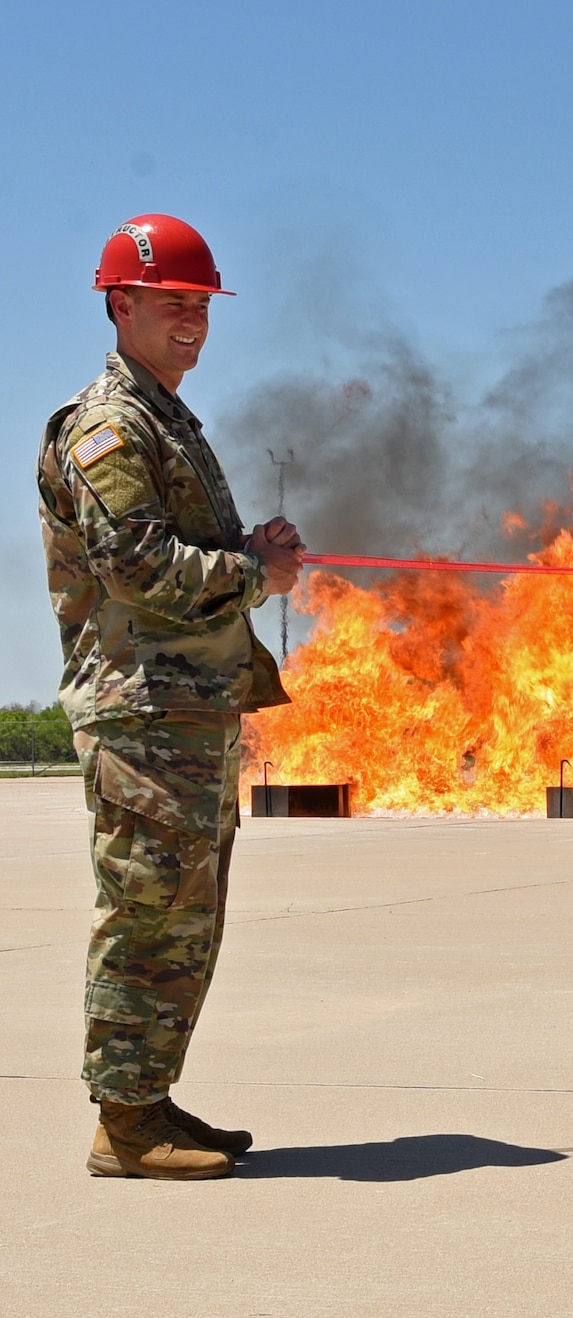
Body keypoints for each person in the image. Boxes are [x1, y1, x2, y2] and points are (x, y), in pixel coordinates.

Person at [36, 214, 304, 1178]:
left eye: (201, 305)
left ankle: (148, 1099)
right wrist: (253, 571)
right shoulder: (110, 426)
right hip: (142, 711)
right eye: (171, 304)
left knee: (184, 915)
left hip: (183, 711)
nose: (192, 321)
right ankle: (124, 1124)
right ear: (121, 304)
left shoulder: (167, 421)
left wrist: (247, 554)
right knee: (148, 912)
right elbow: (135, 561)